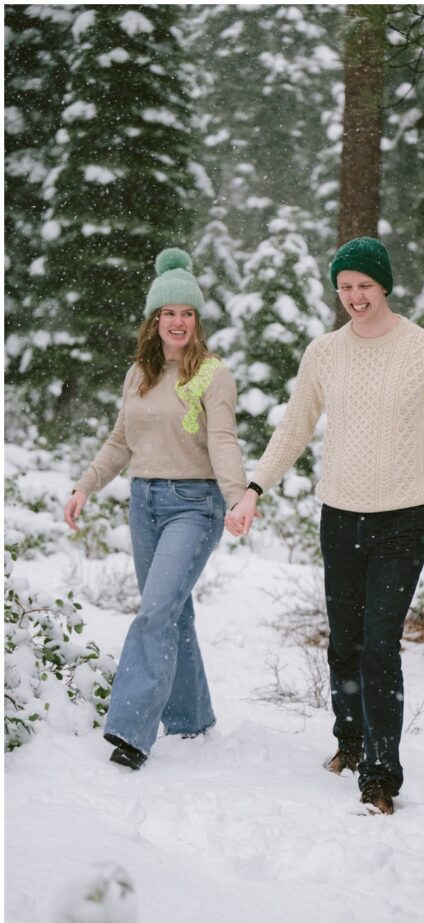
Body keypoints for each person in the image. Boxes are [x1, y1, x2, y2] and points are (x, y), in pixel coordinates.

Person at [227, 236, 424, 814]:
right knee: (344, 642)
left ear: (384, 285)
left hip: (403, 520)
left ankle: (381, 776)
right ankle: (349, 742)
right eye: (345, 287)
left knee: (378, 645)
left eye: (364, 285)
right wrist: (254, 490)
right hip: (339, 516)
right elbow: (293, 427)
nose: (355, 297)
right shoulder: (324, 353)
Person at [64, 248, 246, 770]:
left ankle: (130, 729)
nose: (178, 322)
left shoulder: (214, 374)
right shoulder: (137, 375)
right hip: (142, 503)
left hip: (194, 506)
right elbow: (121, 442)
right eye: (169, 313)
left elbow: (223, 440)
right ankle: (190, 718)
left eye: (187, 313)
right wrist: (85, 486)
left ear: (197, 320)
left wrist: (238, 497)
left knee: (154, 613)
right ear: (154, 320)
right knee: (172, 612)